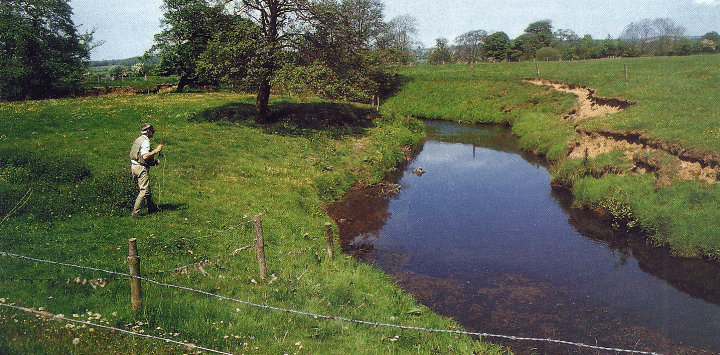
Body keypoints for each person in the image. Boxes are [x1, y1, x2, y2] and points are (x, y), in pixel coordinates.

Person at [129, 123, 163, 218]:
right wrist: (156, 151)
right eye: (152, 131)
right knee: (144, 190)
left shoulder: (138, 139)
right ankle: (135, 212)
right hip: (141, 168)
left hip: (134, 166)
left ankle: (151, 207)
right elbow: (145, 156)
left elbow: (140, 154)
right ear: (148, 131)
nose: (153, 132)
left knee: (146, 188)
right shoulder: (145, 142)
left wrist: (153, 161)